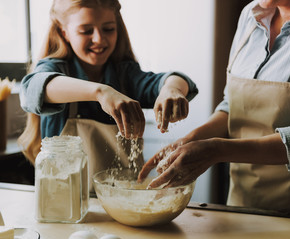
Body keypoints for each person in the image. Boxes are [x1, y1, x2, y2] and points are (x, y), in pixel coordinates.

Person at [138, 0, 290, 219]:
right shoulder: (251, 15)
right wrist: (192, 140)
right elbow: (232, 107)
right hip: (242, 210)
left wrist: (215, 150)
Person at [18, 0, 198, 181]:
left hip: (123, 200)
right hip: (66, 202)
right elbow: (31, 89)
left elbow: (175, 80)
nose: (99, 39)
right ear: (65, 33)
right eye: (86, 31)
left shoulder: (125, 75)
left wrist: (172, 89)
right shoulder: (56, 70)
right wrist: (100, 92)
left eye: (108, 29)